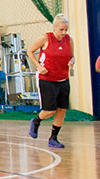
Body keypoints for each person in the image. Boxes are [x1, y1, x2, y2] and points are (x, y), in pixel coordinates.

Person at [27, 13, 75, 148]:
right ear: (54, 27)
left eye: (66, 30)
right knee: (50, 110)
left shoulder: (69, 40)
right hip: (47, 79)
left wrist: (72, 61)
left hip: (63, 79)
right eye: (61, 30)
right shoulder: (45, 38)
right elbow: (30, 52)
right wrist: (39, 66)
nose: (64, 32)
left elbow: (72, 56)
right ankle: (36, 121)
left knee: (62, 110)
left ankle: (53, 138)